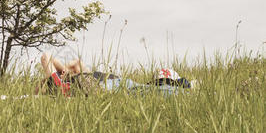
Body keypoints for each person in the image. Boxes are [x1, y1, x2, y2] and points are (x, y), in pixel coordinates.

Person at [34, 52, 194, 97]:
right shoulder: (78, 80)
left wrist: (64, 72)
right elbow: (45, 57)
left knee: (146, 90)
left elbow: (76, 63)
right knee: (148, 91)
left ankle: (187, 90)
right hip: (111, 84)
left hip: (117, 82)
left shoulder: (83, 74)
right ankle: (188, 91)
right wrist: (50, 80)